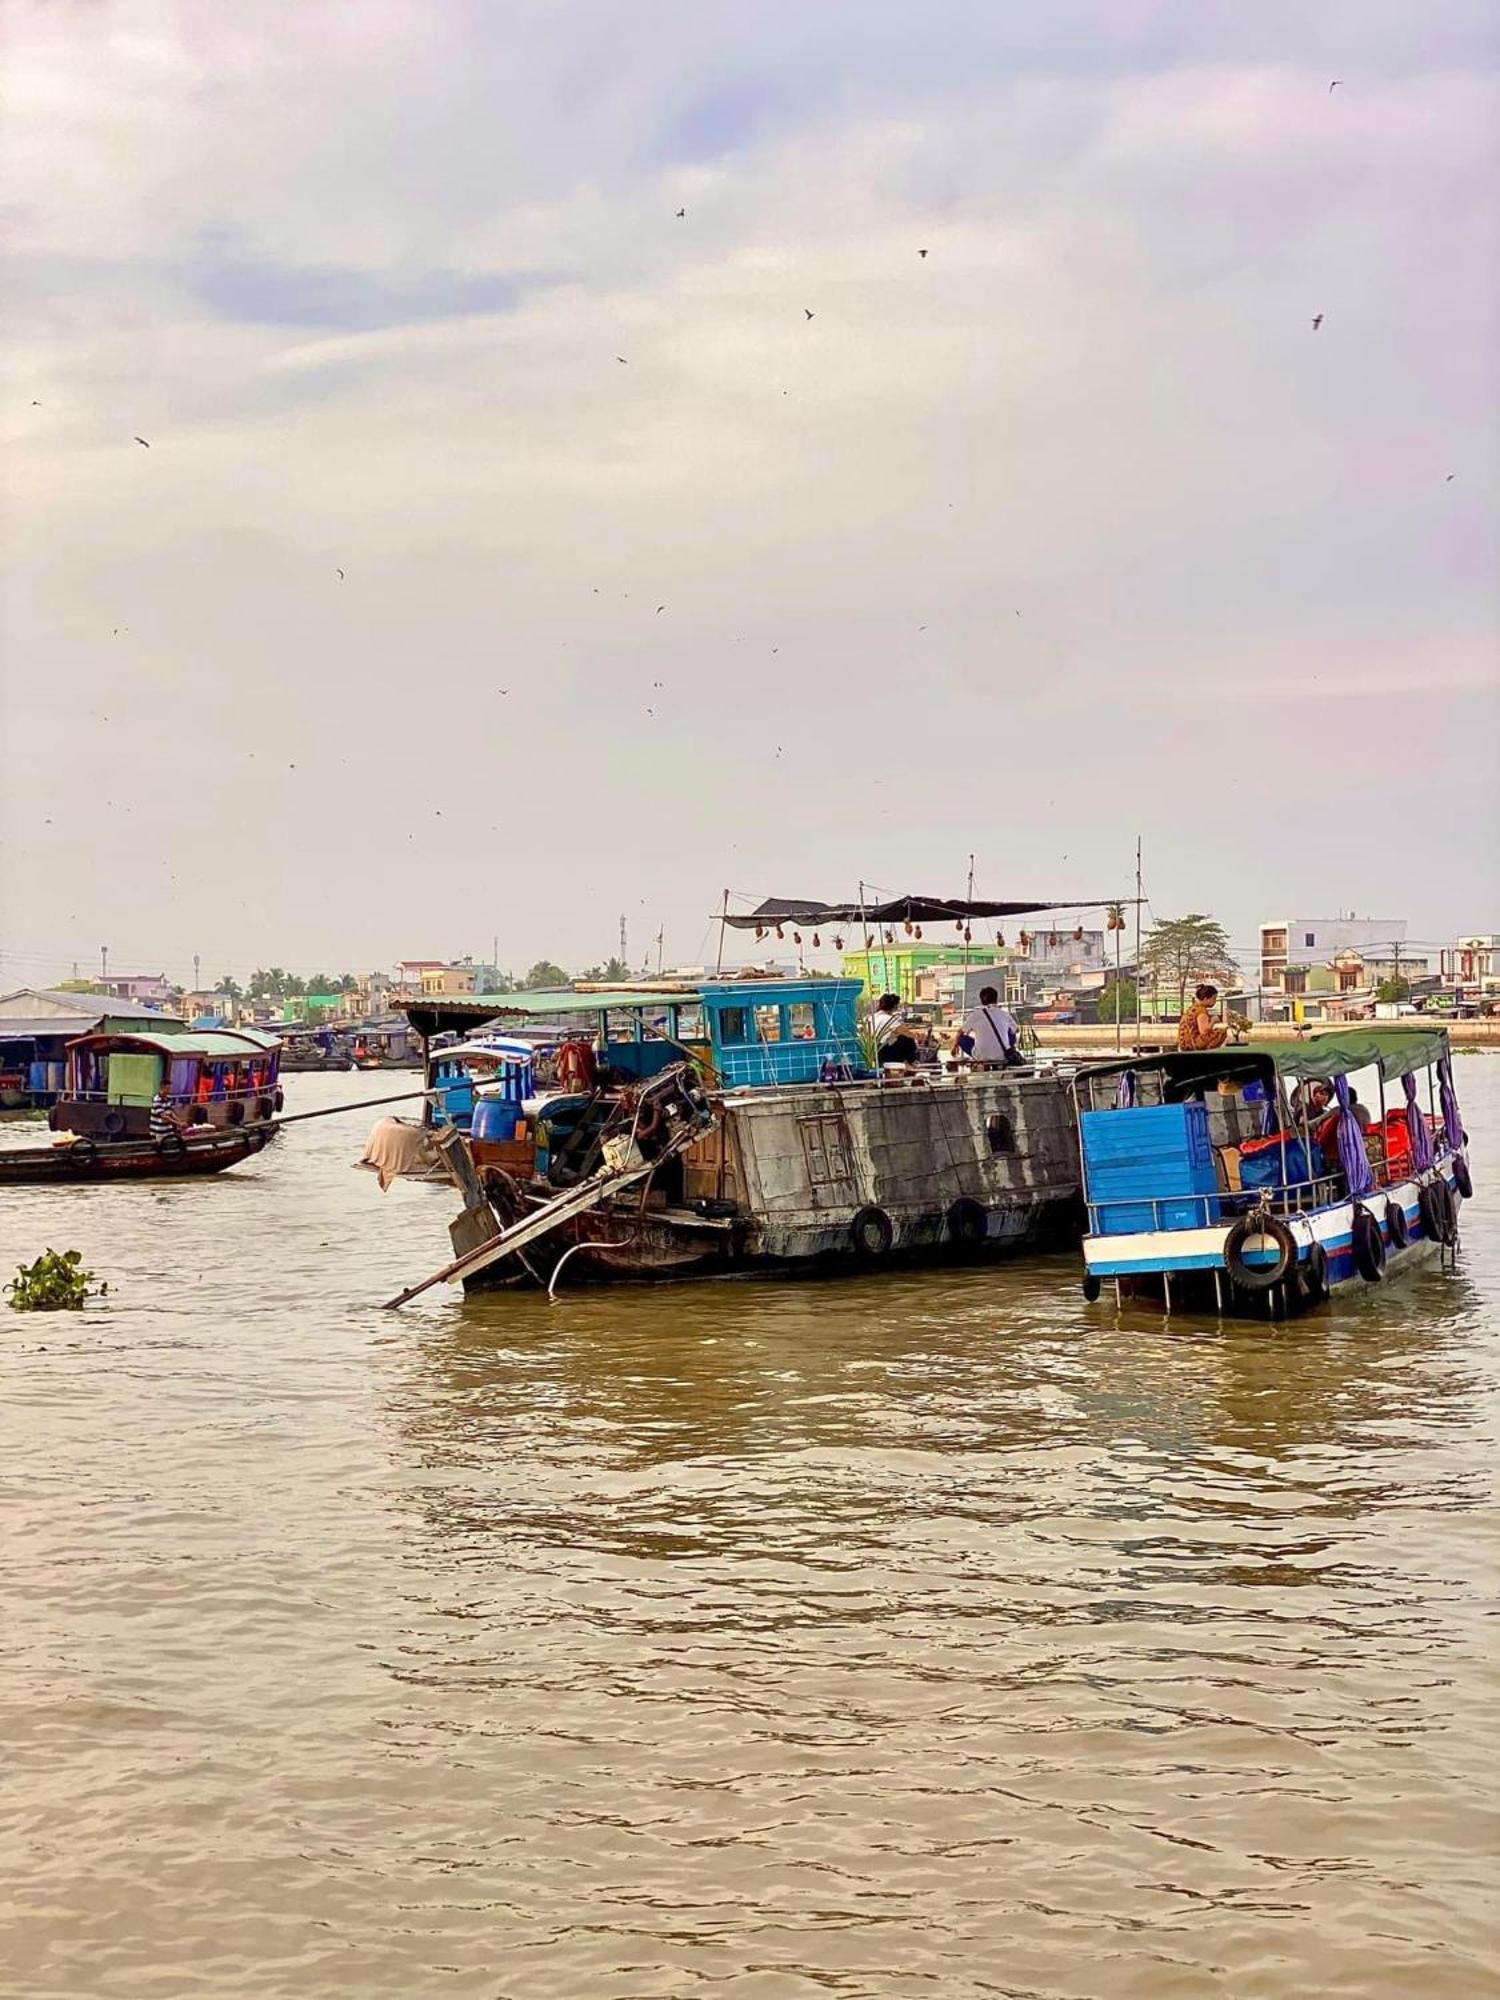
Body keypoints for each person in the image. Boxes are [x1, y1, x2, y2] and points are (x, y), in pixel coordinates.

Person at [954, 986, 1022, 1067]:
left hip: (981, 1056)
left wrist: (955, 1046)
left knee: (962, 1038)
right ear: (996, 999)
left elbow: (960, 1032)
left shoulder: (975, 1014)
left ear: (981, 1001)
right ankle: (1005, 1050)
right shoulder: (1004, 1014)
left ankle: (982, 1058)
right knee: (1011, 1032)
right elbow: (1016, 1030)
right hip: (1003, 1055)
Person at [1177, 983, 1228, 1051]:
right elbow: (1204, 1031)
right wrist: (1213, 1021)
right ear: (1206, 998)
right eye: (1214, 998)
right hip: (1193, 1044)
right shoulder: (1201, 1011)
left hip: (1184, 1043)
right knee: (1221, 1032)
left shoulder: (1192, 1008)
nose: (1215, 1001)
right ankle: (1205, 1050)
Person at [872, 992, 918, 1065]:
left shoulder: (872, 1017)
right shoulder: (888, 1019)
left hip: (874, 1050)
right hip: (883, 1051)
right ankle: (912, 1062)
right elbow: (906, 1032)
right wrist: (917, 1037)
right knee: (906, 1039)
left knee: (896, 1037)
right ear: (894, 1007)